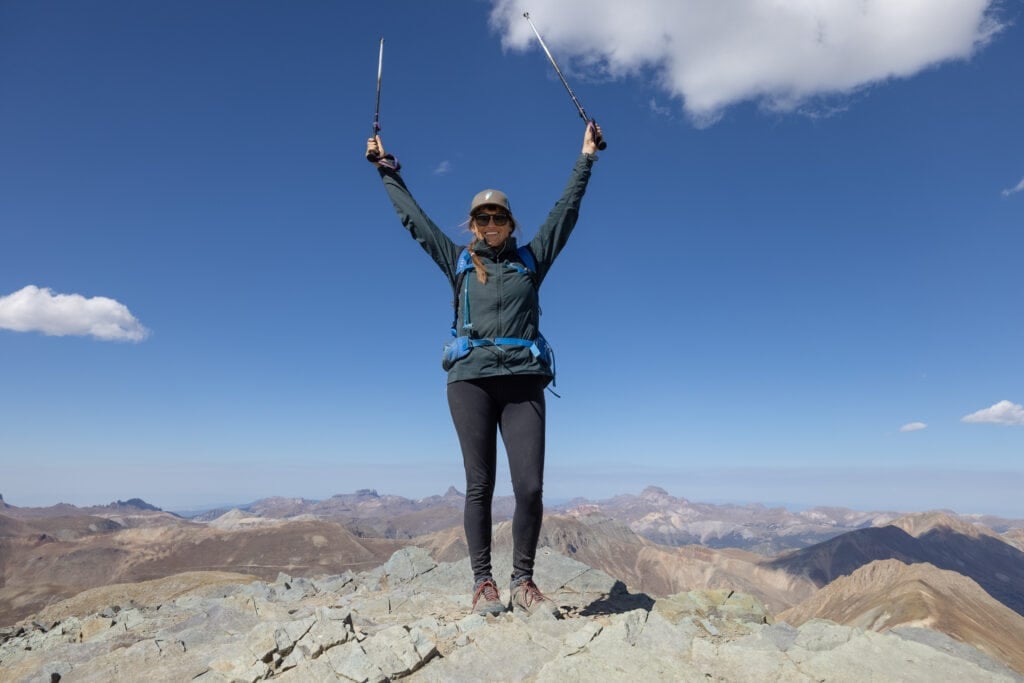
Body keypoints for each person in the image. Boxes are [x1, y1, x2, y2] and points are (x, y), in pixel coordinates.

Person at [366, 122, 602, 616]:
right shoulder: (456, 261)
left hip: (522, 381)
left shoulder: (531, 260)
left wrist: (586, 158)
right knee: (480, 485)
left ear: (511, 224)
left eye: (498, 217)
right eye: (482, 218)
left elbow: (567, 211)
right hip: (470, 380)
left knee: (530, 486)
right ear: (472, 225)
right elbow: (415, 221)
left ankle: (524, 581)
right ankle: (482, 585)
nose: (490, 224)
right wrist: (387, 172)